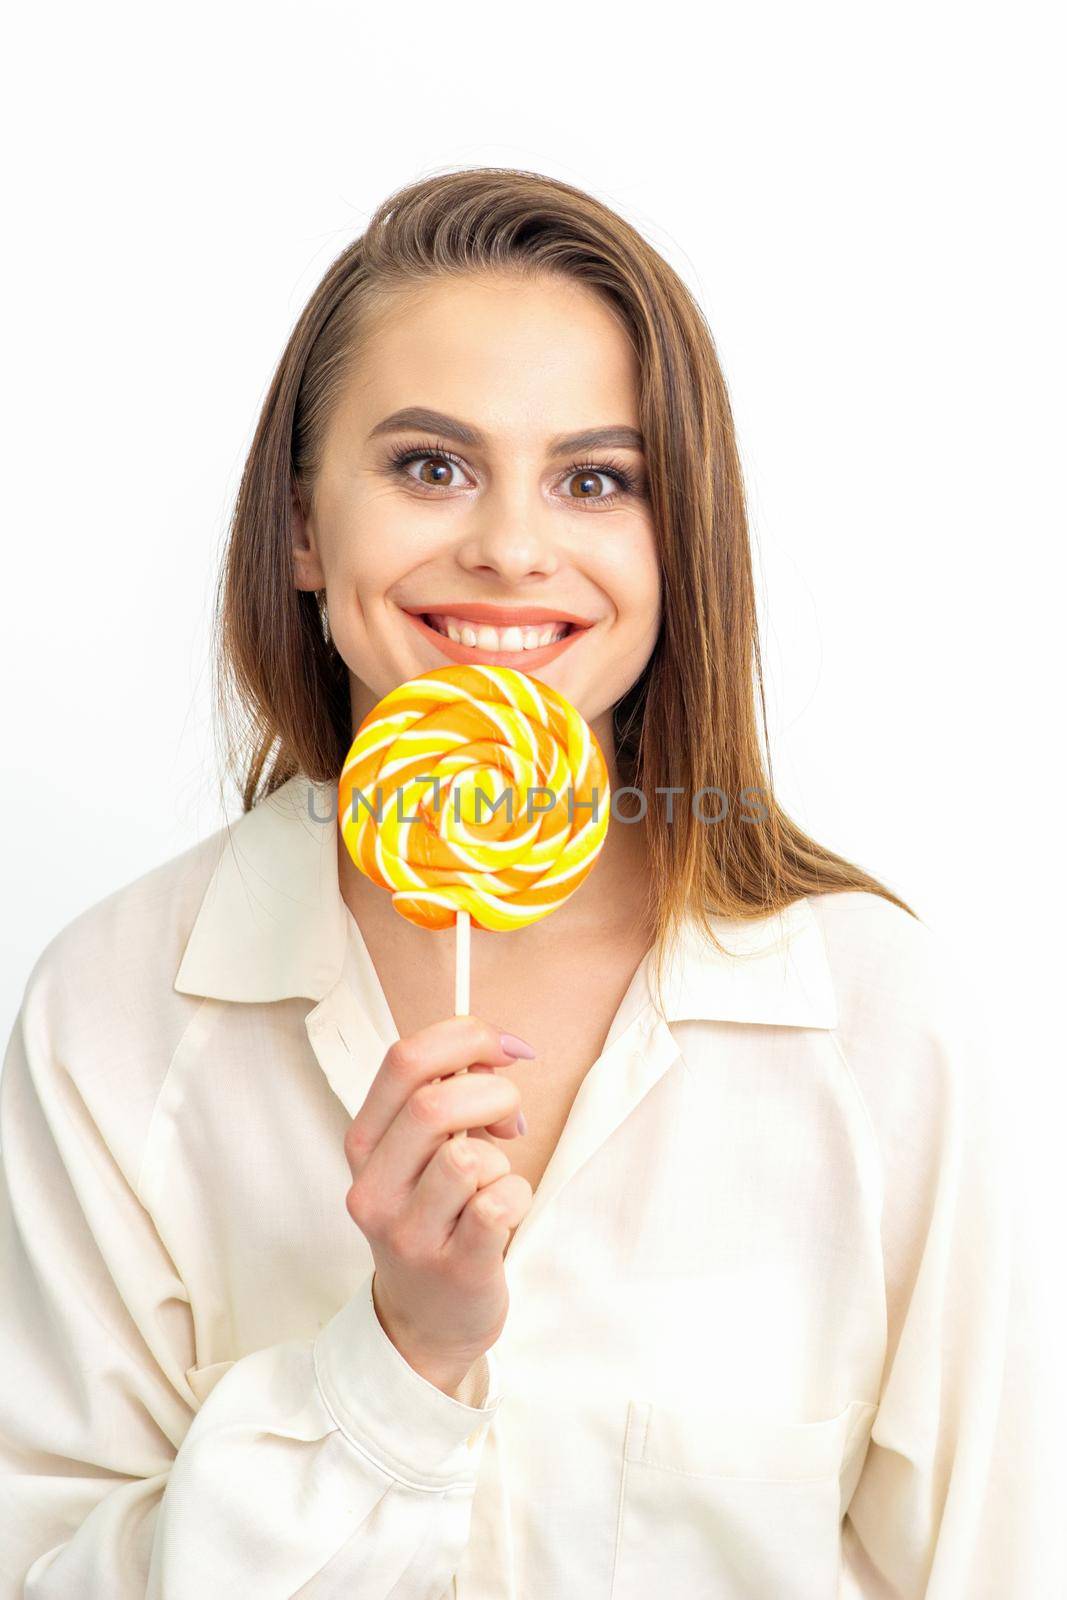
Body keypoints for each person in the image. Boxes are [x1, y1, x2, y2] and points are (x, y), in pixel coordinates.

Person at [0, 168, 1052, 1597]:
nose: (508, 545)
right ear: (306, 528)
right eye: (430, 465)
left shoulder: (879, 1022)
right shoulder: (113, 1014)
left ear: (676, 544)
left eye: (597, 479)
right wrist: (396, 1365)